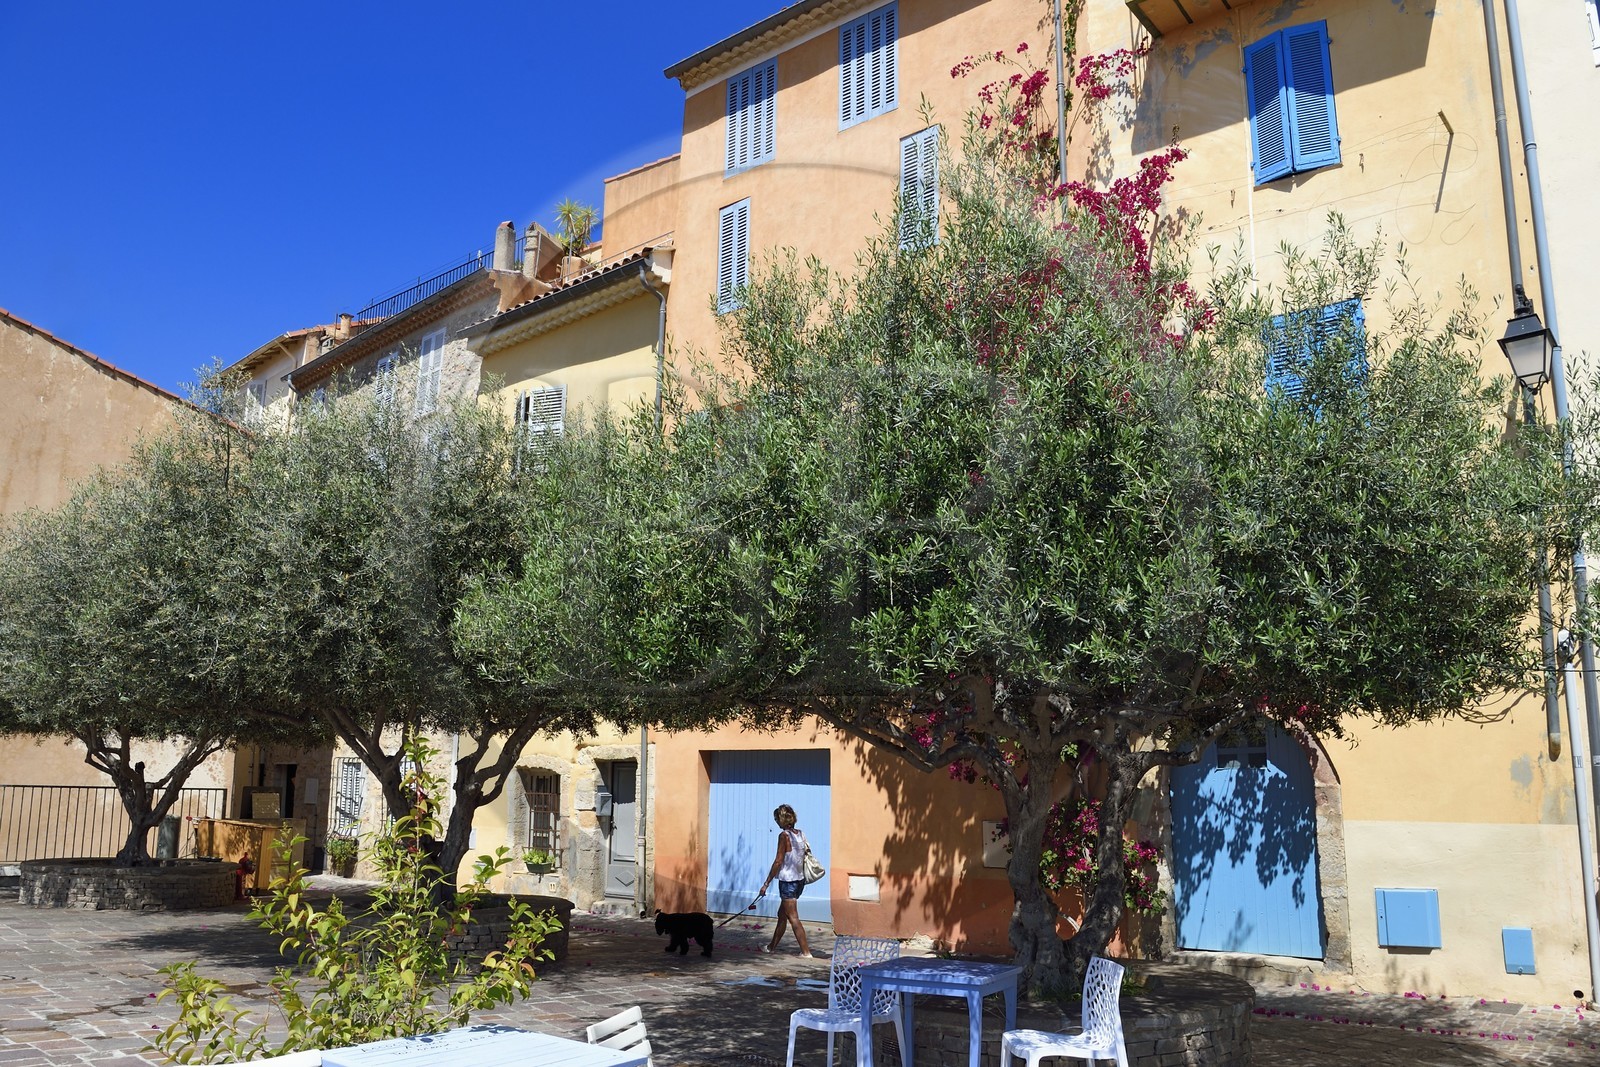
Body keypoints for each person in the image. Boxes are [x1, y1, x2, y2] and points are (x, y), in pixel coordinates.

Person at [759, 803, 815, 957]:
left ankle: (806, 952)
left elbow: (778, 861)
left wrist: (766, 883)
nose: (776, 822)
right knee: (782, 915)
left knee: (793, 917)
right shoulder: (801, 834)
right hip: (799, 881)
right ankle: (771, 947)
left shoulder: (784, 836)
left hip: (788, 881)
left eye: (777, 819)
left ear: (782, 819)